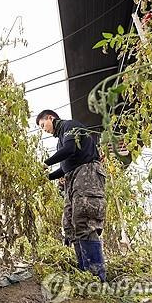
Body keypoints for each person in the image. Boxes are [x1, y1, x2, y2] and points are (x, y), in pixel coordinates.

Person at [36, 109, 107, 282]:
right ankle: (84, 272)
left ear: (50, 118)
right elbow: (64, 167)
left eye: (43, 125)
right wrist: (45, 177)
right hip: (73, 177)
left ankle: (96, 276)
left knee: (84, 219)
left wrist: (44, 164)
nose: (43, 129)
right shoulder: (61, 141)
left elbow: (70, 149)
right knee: (70, 224)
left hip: (87, 173)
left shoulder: (70, 125)